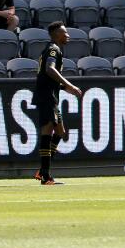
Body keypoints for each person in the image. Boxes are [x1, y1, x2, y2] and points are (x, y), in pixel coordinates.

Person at [35, 21, 81, 185]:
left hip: (50, 95)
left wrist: (62, 87)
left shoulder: (52, 49)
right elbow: (49, 69)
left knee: (60, 132)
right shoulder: (53, 49)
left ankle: (43, 170)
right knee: (47, 131)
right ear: (57, 35)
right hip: (47, 97)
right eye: (65, 33)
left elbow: (46, 75)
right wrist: (69, 84)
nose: (68, 35)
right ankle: (45, 176)